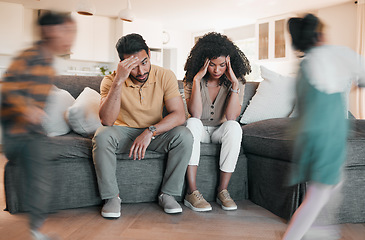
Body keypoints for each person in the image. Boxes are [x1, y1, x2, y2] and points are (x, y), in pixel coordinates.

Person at [92, 33, 193, 219]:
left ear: (149, 54)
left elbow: (179, 115)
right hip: (123, 133)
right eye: (133, 66)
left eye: (144, 62)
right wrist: (119, 81)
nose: (141, 71)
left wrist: (150, 131)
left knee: (184, 135)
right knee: (102, 135)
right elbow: (107, 121)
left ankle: (168, 194)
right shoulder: (110, 81)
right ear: (122, 64)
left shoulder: (165, 75)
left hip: (154, 134)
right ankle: (112, 198)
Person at [282, 14, 365, 240]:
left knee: (329, 186)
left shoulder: (304, 65)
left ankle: (320, 230)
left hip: (308, 138)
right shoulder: (335, 54)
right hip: (328, 137)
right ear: (319, 35)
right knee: (319, 194)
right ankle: (298, 235)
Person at [1, 12, 76, 240]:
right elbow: (5, 88)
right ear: (51, 31)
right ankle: (37, 230)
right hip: (17, 132)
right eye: (68, 31)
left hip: (31, 132)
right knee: (40, 175)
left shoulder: (47, 61)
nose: (72, 37)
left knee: (44, 171)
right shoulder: (30, 56)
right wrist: (26, 109)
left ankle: (39, 220)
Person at [182, 32, 251, 212]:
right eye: (212, 64)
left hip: (220, 130)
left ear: (229, 63)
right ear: (203, 62)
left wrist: (235, 86)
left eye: (222, 65)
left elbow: (231, 117)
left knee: (234, 127)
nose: (217, 70)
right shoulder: (192, 80)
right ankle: (192, 191)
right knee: (192, 123)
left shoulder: (237, 83)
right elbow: (195, 113)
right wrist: (197, 80)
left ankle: (223, 190)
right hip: (199, 130)